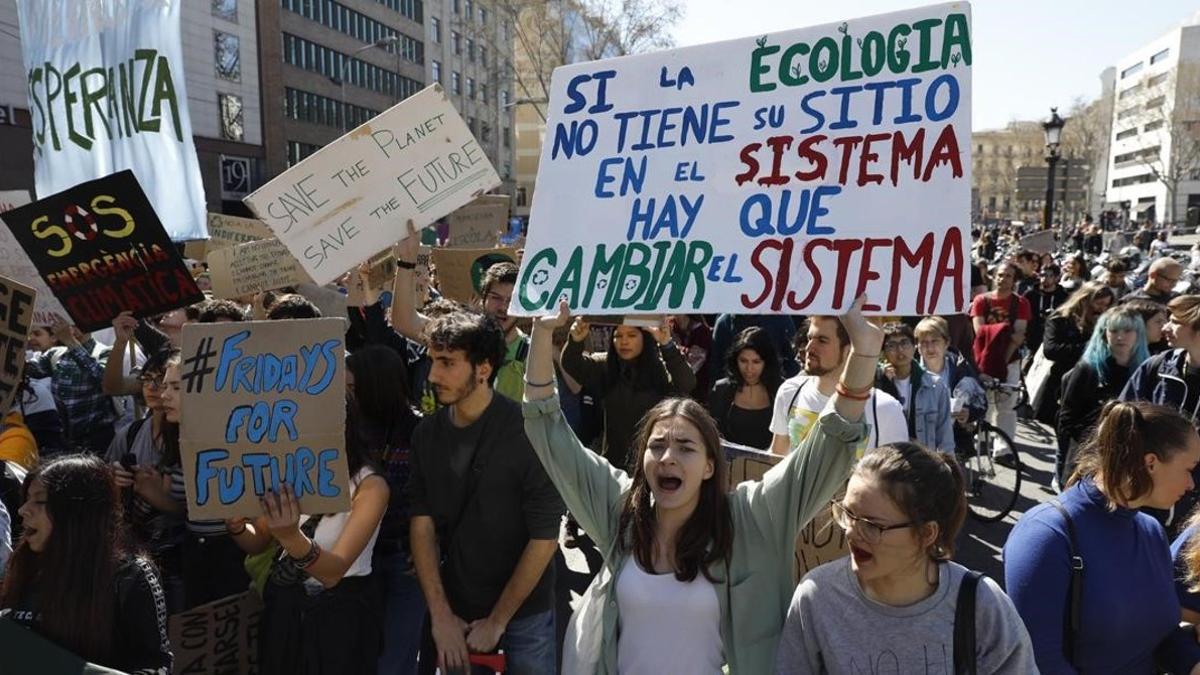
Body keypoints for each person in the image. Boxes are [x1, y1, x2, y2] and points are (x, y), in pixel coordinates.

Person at [523, 295, 882, 674]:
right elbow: (546, 428)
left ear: (711, 466)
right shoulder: (620, 511)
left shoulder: (750, 518)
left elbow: (829, 444)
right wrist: (542, 333)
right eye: (656, 446)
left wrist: (864, 352)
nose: (667, 458)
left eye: (685, 447)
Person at [775, 443, 1035, 673]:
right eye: (848, 514)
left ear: (926, 533)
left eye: (872, 525)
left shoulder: (981, 605)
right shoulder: (818, 596)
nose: (852, 532)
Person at [407, 309, 563, 675]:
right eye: (432, 361)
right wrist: (441, 616)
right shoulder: (426, 435)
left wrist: (498, 620)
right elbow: (422, 525)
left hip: (524, 615)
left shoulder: (529, 434)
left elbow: (544, 539)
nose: (433, 375)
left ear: (483, 368)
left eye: (447, 363)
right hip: (454, 609)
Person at [1006, 401, 1200, 674]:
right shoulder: (1046, 535)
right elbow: (1037, 660)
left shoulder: (1151, 532)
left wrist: (1193, 663)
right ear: (1151, 463)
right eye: (1190, 469)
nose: (1192, 484)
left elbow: (1160, 636)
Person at [226, 417, 390, 674]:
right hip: (287, 618)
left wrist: (292, 537)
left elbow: (333, 572)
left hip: (340, 622)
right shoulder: (288, 471)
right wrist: (236, 526)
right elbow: (258, 540)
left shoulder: (369, 486)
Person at [0, 454, 172, 672]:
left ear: (76, 512)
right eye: (25, 499)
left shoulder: (129, 576)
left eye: (39, 501)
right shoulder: (23, 568)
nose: (22, 510)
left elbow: (157, 665)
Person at [346, 345, 425, 675]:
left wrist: (430, 546)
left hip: (405, 561)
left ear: (375, 387)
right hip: (354, 559)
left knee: (393, 660)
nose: (345, 396)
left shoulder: (423, 432)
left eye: (352, 388)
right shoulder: (347, 428)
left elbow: (439, 498)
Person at [394, 224, 530, 403]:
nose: (503, 307)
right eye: (496, 297)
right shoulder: (462, 336)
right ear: (482, 299)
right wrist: (406, 260)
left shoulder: (530, 352)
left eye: (511, 300)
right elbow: (404, 321)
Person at [561, 317, 696, 471]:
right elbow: (571, 364)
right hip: (613, 466)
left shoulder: (659, 371)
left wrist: (667, 345)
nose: (624, 341)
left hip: (653, 463)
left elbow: (687, 383)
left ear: (645, 338)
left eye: (631, 335)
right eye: (618, 336)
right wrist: (575, 341)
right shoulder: (605, 366)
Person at [770, 316, 907, 457]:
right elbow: (775, 457)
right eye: (810, 338)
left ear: (849, 350)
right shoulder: (790, 391)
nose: (809, 348)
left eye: (822, 341)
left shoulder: (885, 409)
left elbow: (897, 475)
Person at [1055, 307, 1150, 490]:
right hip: (1086, 457)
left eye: (1127, 331)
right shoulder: (1087, 369)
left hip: (1125, 460)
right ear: (1104, 333)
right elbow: (1067, 418)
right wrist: (1094, 446)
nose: (1120, 337)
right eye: (1114, 331)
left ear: (1138, 334)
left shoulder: (1145, 371)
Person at [22, 320, 116, 457]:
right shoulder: (55, 354)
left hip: (95, 442)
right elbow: (26, 370)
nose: (70, 328)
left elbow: (105, 380)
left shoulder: (105, 352)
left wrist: (70, 341)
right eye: (67, 323)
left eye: (75, 323)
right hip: (63, 441)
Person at [1033, 282, 1116, 425]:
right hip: (1060, 385)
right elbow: (1051, 350)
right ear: (1085, 300)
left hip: (1089, 387)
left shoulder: (1104, 323)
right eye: (1099, 304)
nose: (1102, 309)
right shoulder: (1060, 319)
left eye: (1106, 305)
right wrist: (1089, 346)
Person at [970, 263, 1030, 451]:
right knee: (983, 403)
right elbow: (979, 332)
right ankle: (981, 441)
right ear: (994, 276)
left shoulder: (1020, 303)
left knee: (1006, 405)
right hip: (983, 361)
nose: (1003, 279)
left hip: (1009, 360)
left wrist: (1002, 361)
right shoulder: (981, 300)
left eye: (1008, 276)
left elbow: (1018, 336)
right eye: (1000, 275)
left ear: (1014, 280)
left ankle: (1004, 448)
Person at [874, 323, 954, 453]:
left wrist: (949, 467)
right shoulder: (876, 382)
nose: (900, 350)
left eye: (905, 343)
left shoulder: (935, 385)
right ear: (883, 351)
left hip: (923, 459)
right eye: (891, 345)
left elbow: (945, 435)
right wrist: (879, 378)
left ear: (914, 346)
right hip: (887, 459)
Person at [706, 327, 782, 449]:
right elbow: (712, 434)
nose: (749, 369)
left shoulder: (781, 390)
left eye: (756, 362)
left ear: (767, 362)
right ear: (735, 360)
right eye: (743, 361)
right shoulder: (722, 390)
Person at [1021, 263, 1069, 358]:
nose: (1044, 278)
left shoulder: (1063, 296)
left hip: (1053, 339)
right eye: (1042, 275)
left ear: (1056, 278)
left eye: (1049, 276)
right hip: (1032, 339)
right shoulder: (1030, 295)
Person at [669, 314, 713, 400]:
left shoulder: (701, 331)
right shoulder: (669, 326)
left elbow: (693, 366)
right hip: (672, 389)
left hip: (696, 391)